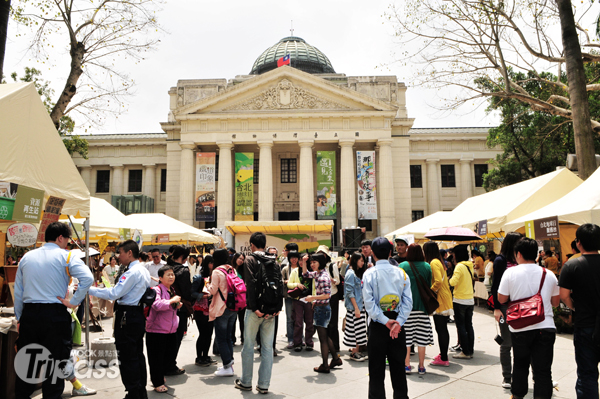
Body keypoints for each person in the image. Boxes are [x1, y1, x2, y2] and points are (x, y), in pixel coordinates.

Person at [14, 222, 94, 399]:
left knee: (28, 366)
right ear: (60, 238)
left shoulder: (27, 257)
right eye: (67, 239)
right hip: (55, 316)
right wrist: (73, 302)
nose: (67, 243)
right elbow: (88, 278)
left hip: (30, 316)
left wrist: (20, 318)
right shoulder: (66, 256)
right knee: (56, 367)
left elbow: (18, 292)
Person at [88, 240, 151, 399]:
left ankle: (133, 392)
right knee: (137, 354)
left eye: (121, 253)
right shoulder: (141, 270)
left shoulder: (132, 272)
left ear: (129, 253)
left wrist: (87, 289)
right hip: (135, 315)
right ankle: (139, 390)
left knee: (127, 355)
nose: (118, 257)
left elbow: (114, 293)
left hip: (127, 316)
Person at [498, 237, 560, 399]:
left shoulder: (510, 273)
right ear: (536, 255)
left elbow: (502, 299)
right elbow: (555, 303)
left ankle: (517, 396)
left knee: (520, 364)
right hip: (545, 327)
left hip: (520, 327)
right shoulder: (549, 274)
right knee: (543, 370)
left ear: (518, 254)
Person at [362, 237, 412, 399]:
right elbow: (408, 302)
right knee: (398, 368)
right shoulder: (402, 273)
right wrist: (399, 322)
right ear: (390, 253)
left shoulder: (369, 274)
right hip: (397, 324)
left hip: (378, 325)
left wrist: (385, 321)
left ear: (373, 254)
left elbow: (369, 305)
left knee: (376, 370)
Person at [235, 232, 282, 394]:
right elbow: (279, 284)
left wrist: (255, 308)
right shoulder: (273, 260)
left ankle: (246, 382)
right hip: (272, 310)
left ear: (252, 245)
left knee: (248, 346)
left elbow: (250, 285)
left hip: (254, 311)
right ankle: (263, 385)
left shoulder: (250, 259)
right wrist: (277, 308)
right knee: (267, 349)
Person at [559, 223, 600, 399]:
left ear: (578, 243)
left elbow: (564, 295)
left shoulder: (571, 265)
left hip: (585, 326)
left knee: (587, 373)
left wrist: (575, 306)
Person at [490, 231, 522, 389]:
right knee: (506, 342)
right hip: (503, 307)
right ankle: (507, 377)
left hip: (519, 306)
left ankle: (518, 376)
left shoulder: (519, 259)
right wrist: (496, 308)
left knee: (520, 342)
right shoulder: (501, 260)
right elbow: (495, 285)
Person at [302, 251, 341, 373]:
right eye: (311, 262)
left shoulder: (323, 277)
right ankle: (335, 359)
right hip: (321, 308)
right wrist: (304, 262)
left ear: (321, 263)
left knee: (323, 338)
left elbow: (326, 295)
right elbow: (305, 274)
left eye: (315, 262)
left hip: (322, 309)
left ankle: (325, 365)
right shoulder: (319, 273)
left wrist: (312, 298)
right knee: (325, 336)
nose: (312, 264)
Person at [145, 265, 181, 393]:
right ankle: (157, 382)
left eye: (172, 274)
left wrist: (176, 304)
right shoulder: (156, 290)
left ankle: (159, 376)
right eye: (168, 275)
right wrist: (172, 301)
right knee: (156, 358)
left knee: (168, 355)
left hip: (170, 329)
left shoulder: (171, 290)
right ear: (160, 278)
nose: (171, 276)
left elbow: (170, 306)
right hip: (156, 330)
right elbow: (157, 305)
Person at [399, 244, 434, 375]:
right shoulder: (427, 266)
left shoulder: (402, 266)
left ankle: (407, 365)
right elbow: (429, 285)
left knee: (406, 339)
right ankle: (421, 366)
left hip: (406, 309)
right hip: (423, 308)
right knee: (422, 339)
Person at [207, 248, 239, 377]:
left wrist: (206, 285)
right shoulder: (232, 269)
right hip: (233, 307)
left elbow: (212, 291)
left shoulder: (216, 272)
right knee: (228, 338)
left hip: (221, 308)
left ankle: (227, 366)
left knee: (221, 338)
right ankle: (229, 363)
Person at [423, 241, 453, 368]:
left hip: (440, 299)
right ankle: (443, 354)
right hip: (443, 298)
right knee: (442, 328)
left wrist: (430, 291)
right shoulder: (438, 261)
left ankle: (444, 358)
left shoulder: (434, 262)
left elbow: (437, 282)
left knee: (441, 329)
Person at [168, 245, 192, 375]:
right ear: (183, 257)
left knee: (168, 337)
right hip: (180, 307)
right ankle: (171, 364)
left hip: (166, 305)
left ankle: (166, 363)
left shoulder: (167, 269)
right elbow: (187, 291)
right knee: (177, 337)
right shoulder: (183, 271)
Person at [449, 244, 475, 359]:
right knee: (469, 326)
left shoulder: (459, 266)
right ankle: (470, 350)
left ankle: (465, 351)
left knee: (461, 327)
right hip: (470, 300)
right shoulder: (470, 265)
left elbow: (453, 282)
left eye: (454, 254)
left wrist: (449, 278)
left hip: (460, 300)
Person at [191, 255, 216, 367]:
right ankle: (199, 357)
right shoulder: (198, 277)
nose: (213, 265)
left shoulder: (215, 277)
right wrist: (202, 296)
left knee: (209, 333)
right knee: (203, 333)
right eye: (211, 263)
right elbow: (192, 293)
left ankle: (205, 356)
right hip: (200, 309)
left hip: (212, 308)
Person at [288, 252, 315, 352]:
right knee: (298, 322)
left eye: (303, 260)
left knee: (309, 322)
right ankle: (297, 343)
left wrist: (314, 299)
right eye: (300, 260)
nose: (301, 262)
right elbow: (289, 284)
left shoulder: (312, 272)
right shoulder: (295, 271)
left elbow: (315, 286)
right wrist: (297, 285)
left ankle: (309, 343)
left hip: (309, 299)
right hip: (298, 299)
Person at [343, 251, 368, 361]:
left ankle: (356, 350)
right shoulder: (350, 273)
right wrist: (356, 308)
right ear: (355, 260)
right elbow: (349, 292)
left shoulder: (355, 273)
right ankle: (354, 352)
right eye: (361, 260)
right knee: (356, 330)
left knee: (358, 329)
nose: (363, 263)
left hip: (359, 305)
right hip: (355, 307)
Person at [317, 245, 341, 352]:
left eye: (323, 254)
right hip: (321, 297)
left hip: (332, 296)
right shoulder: (317, 267)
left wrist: (332, 280)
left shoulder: (332, 266)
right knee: (323, 324)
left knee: (333, 323)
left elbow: (338, 280)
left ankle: (335, 347)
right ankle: (326, 347)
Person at [281, 249, 300, 349]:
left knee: (299, 318)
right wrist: (286, 282)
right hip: (288, 296)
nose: (294, 259)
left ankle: (299, 338)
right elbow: (280, 280)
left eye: (296, 257)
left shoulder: (301, 268)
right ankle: (291, 340)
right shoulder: (285, 269)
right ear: (289, 258)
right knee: (289, 318)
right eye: (292, 258)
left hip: (299, 296)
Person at [231, 252, 246, 345]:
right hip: (232, 297)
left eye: (243, 259)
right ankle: (232, 339)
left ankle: (243, 338)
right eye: (240, 258)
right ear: (235, 258)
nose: (241, 261)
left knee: (242, 320)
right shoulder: (230, 269)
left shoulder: (244, 270)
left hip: (242, 298)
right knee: (232, 320)